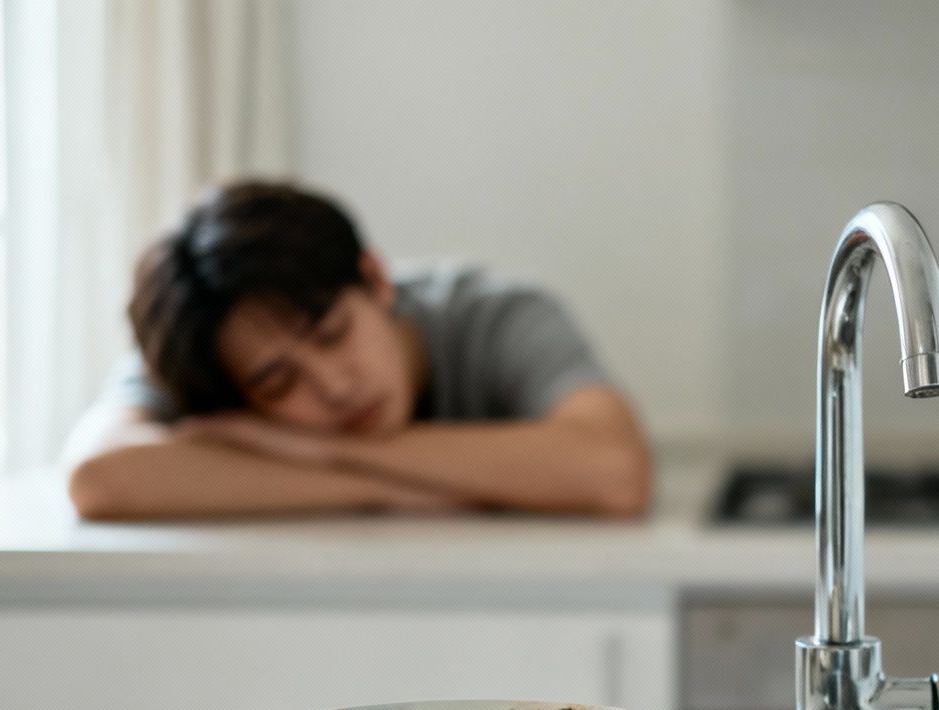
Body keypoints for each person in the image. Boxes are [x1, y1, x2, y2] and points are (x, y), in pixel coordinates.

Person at [64, 181, 651, 520]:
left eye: (332, 334)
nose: (334, 387)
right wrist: (385, 481)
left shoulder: (495, 313)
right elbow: (99, 479)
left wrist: (303, 445)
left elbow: (614, 470)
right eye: (276, 383)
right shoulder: (203, 337)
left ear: (374, 278)